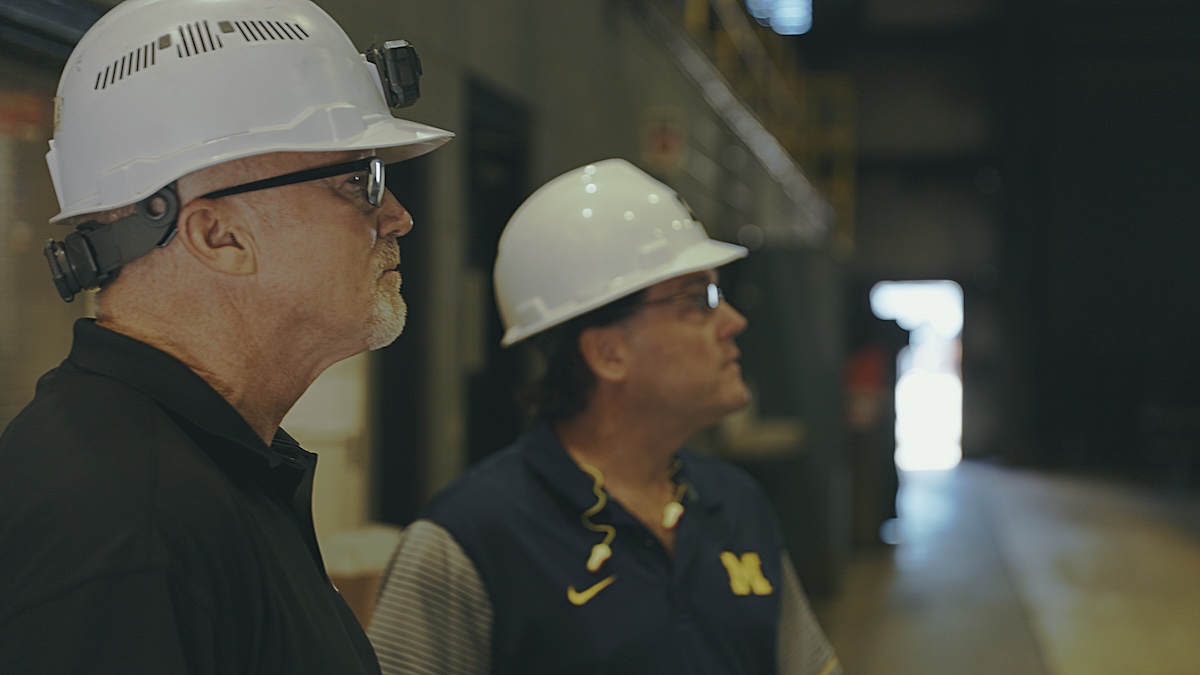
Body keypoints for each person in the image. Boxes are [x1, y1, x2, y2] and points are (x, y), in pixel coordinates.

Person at [0, 0, 452, 672]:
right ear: (218, 236)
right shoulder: (120, 527)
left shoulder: (206, 468)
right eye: (360, 179)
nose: (398, 216)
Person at [369, 159, 841, 675]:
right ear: (607, 351)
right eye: (698, 300)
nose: (733, 321)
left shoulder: (736, 503)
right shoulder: (469, 540)